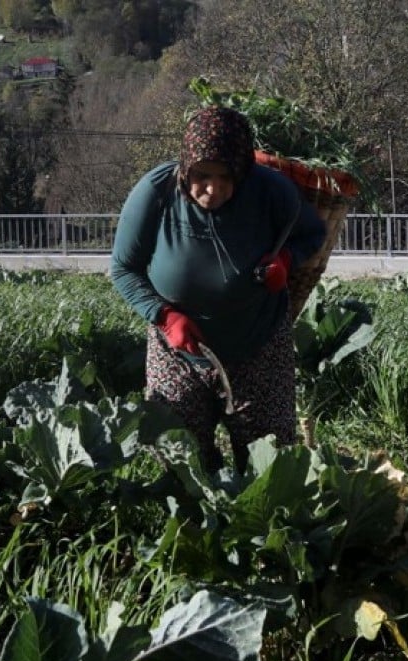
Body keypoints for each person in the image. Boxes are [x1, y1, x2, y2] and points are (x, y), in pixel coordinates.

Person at [111, 106, 326, 472]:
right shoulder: (156, 192)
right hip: (177, 349)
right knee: (179, 454)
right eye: (202, 175)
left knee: (270, 461)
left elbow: (312, 233)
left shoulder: (272, 191)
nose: (213, 189)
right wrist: (164, 317)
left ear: (243, 171)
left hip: (258, 342)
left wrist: (286, 260)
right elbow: (123, 268)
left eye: (226, 177)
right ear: (186, 168)